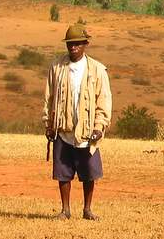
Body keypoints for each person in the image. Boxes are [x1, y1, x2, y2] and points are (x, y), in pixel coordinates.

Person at [42, 24, 112, 220]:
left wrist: (99, 126)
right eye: (70, 44)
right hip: (63, 130)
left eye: (77, 44)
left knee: (89, 173)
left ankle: (87, 209)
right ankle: (65, 210)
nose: (73, 47)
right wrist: (48, 123)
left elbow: (103, 100)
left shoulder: (97, 70)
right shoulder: (56, 67)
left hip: (87, 131)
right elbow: (48, 96)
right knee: (63, 172)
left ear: (85, 44)